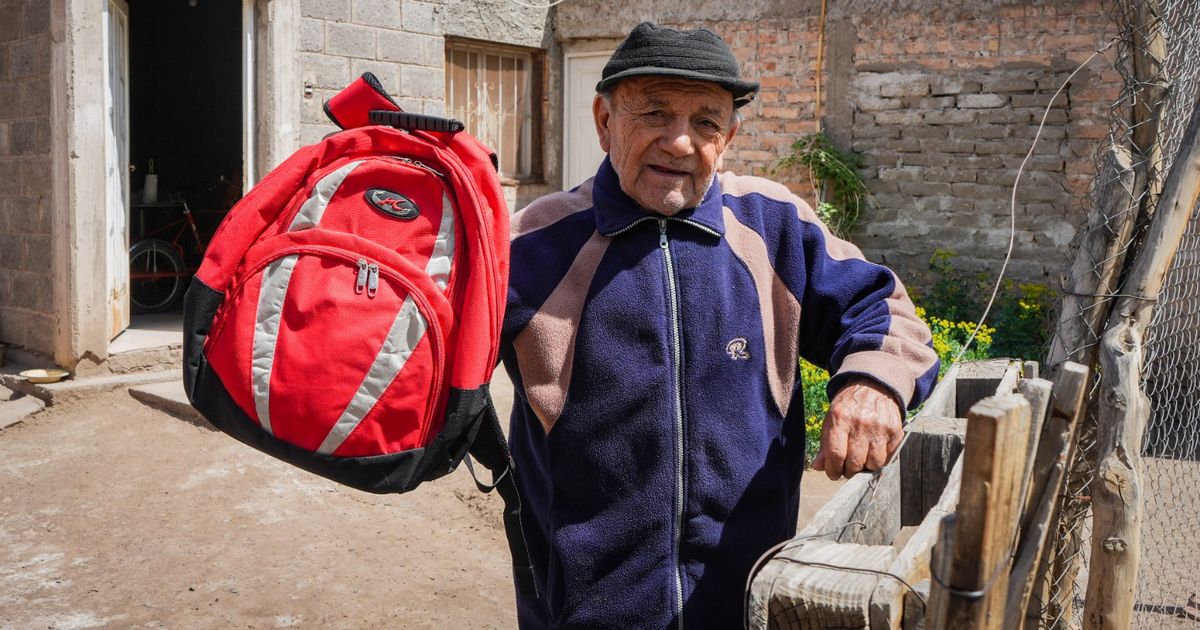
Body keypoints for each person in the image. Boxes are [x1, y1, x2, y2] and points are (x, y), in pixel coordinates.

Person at [499, 22, 939, 628]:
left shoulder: (775, 226)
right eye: (654, 112)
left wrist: (874, 383)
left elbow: (882, 309)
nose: (680, 142)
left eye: (706, 121)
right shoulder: (532, 244)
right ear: (604, 121)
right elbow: (422, 364)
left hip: (747, 604)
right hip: (579, 609)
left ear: (728, 136)